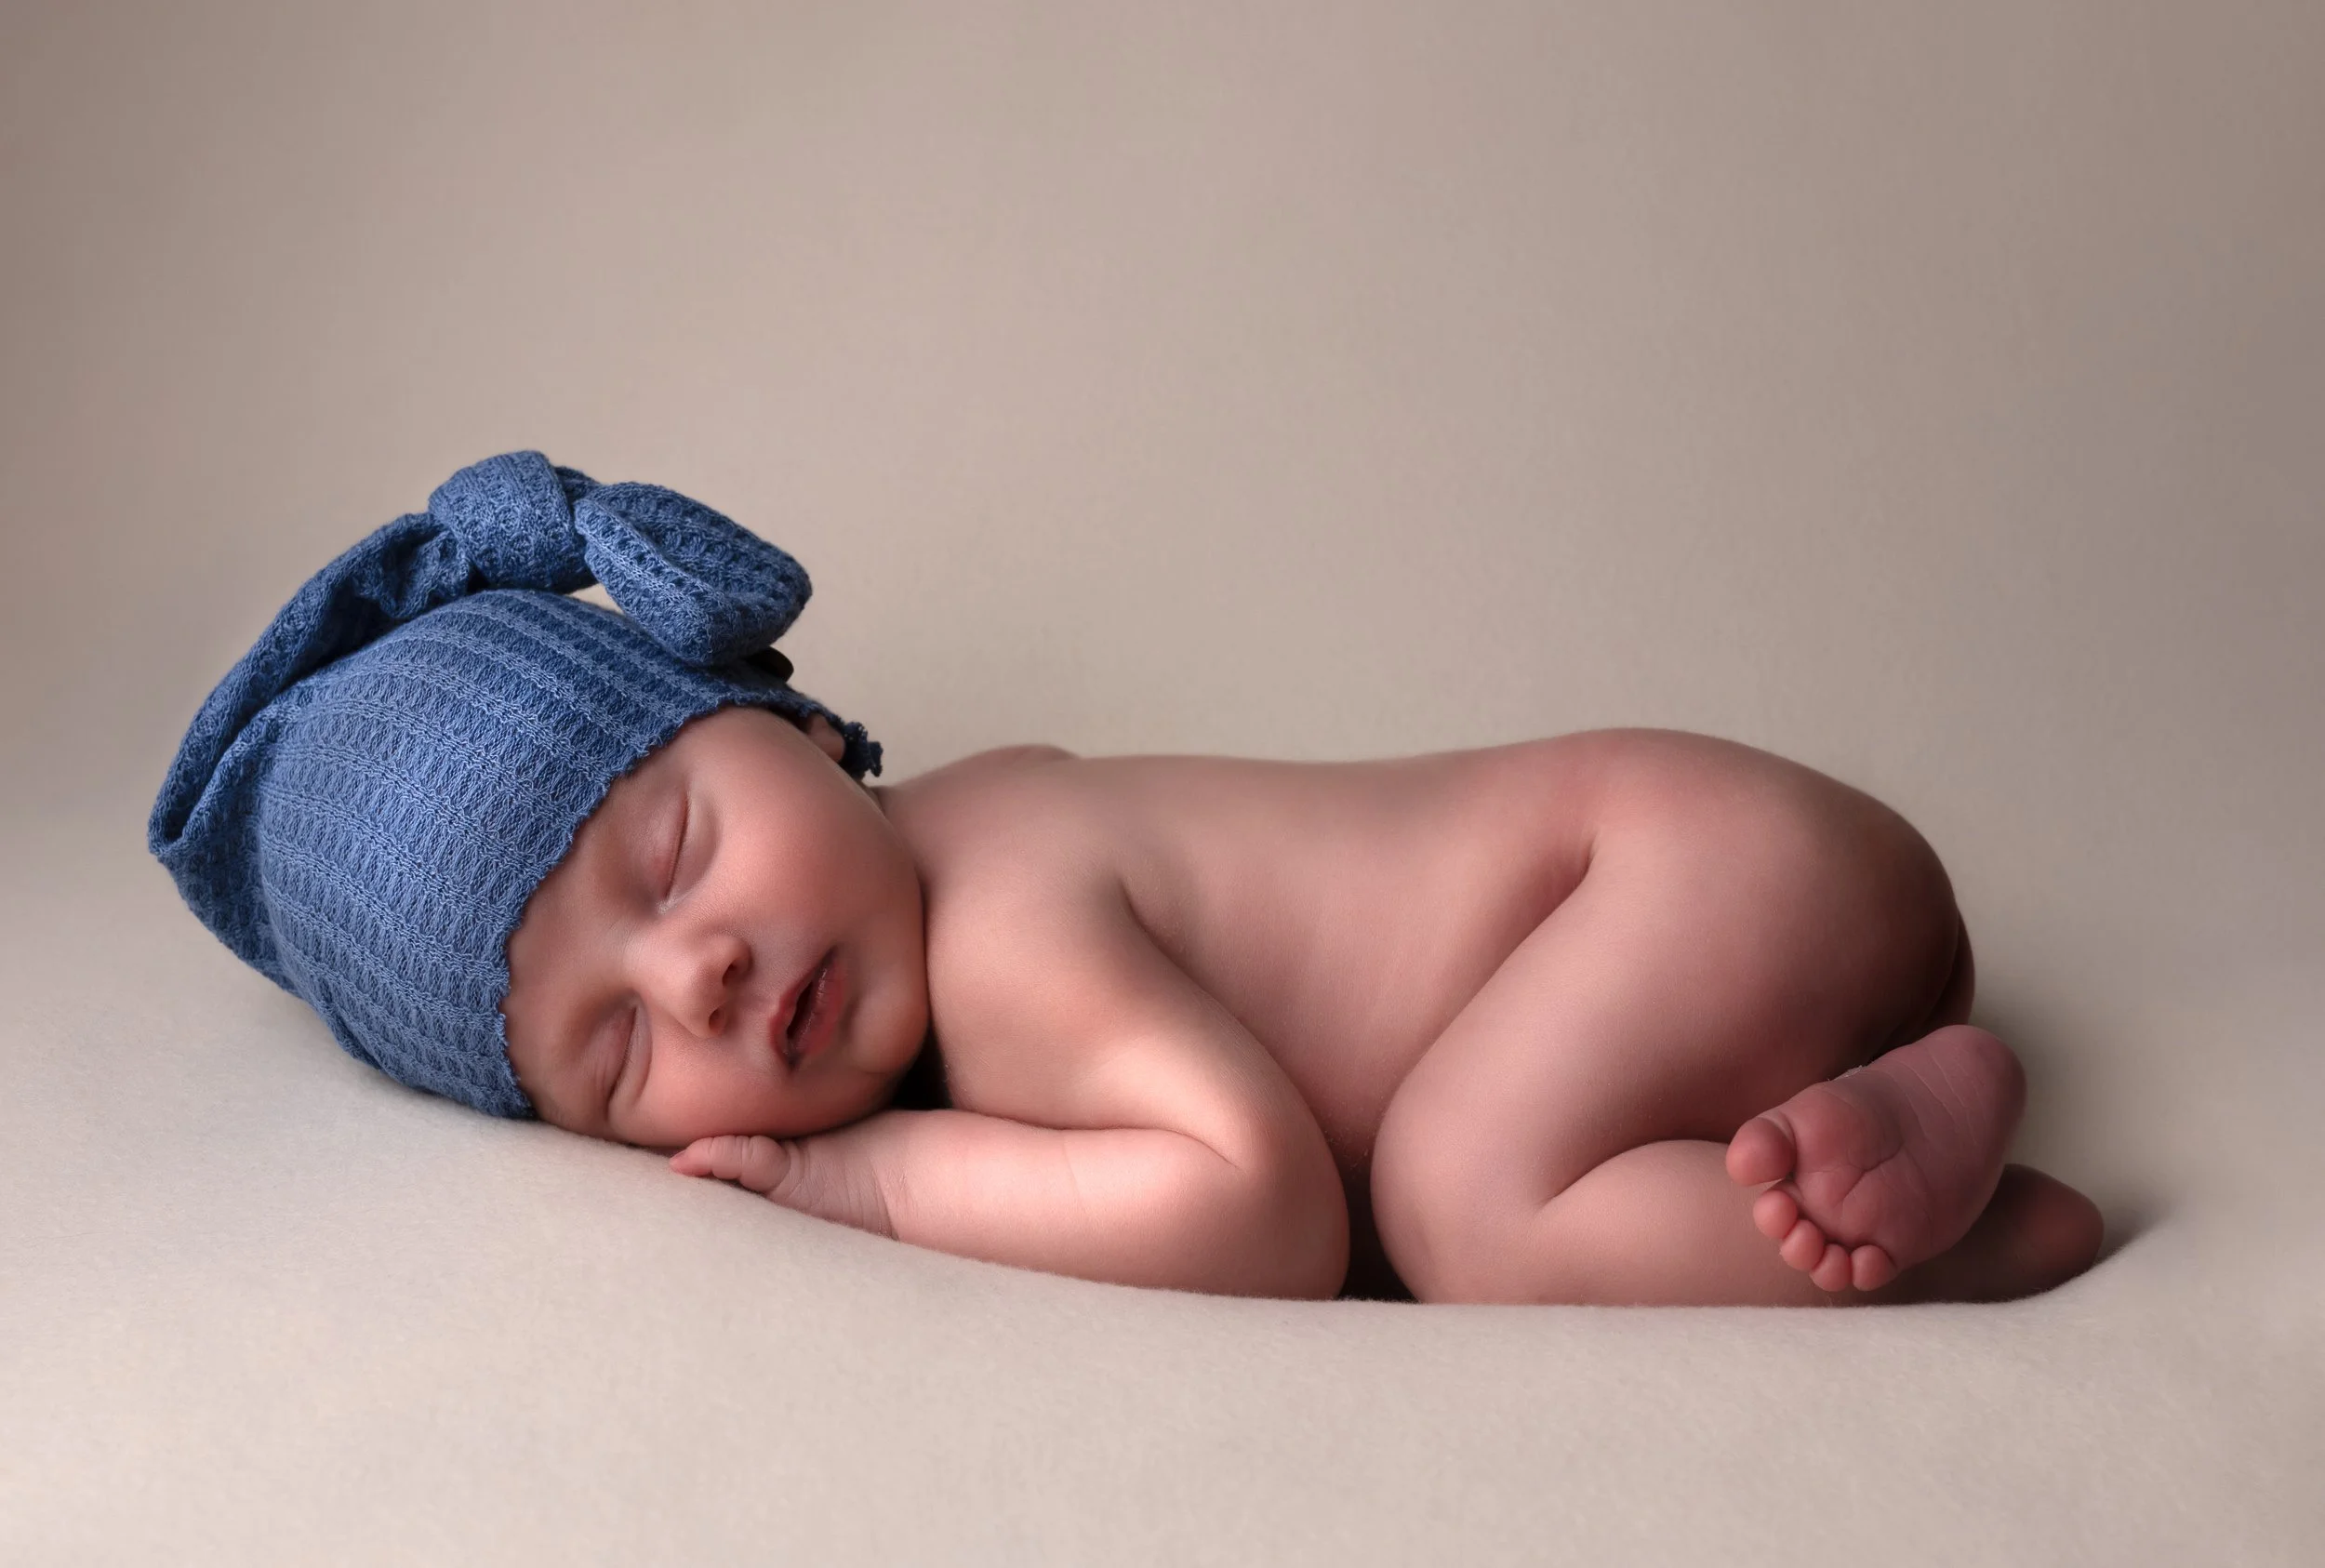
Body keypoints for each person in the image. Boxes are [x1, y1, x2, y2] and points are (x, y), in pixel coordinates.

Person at [153, 452, 2104, 1306]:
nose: (708, 981)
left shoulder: (996, 916)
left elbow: (1255, 1209)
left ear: (801, 726)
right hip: (1706, 915)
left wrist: (873, 1184)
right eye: (612, 1058)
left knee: (1455, 1203)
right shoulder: (953, 869)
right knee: (1498, 1153)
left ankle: (1943, 1228)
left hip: (1683, 879)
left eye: (671, 855)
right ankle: (1858, 1094)